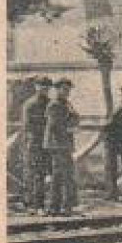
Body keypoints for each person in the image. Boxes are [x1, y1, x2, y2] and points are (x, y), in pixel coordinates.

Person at [42, 78, 81, 215]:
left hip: (64, 145)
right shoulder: (54, 105)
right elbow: (55, 126)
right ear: (57, 89)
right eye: (64, 89)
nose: (67, 92)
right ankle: (61, 207)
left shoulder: (66, 104)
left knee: (60, 176)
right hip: (57, 145)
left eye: (68, 90)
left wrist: (72, 122)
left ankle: (57, 207)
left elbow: (76, 118)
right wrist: (69, 128)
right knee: (63, 176)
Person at [18, 77, 53, 213]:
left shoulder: (50, 103)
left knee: (42, 174)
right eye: (41, 86)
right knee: (32, 173)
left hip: (47, 143)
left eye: (46, 87)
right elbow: (26, 126)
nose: (44, 89)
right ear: (36, 87)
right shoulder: (30, 104)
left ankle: (39, 203)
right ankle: (31, 204)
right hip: (33, 143)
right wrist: (28, 144)